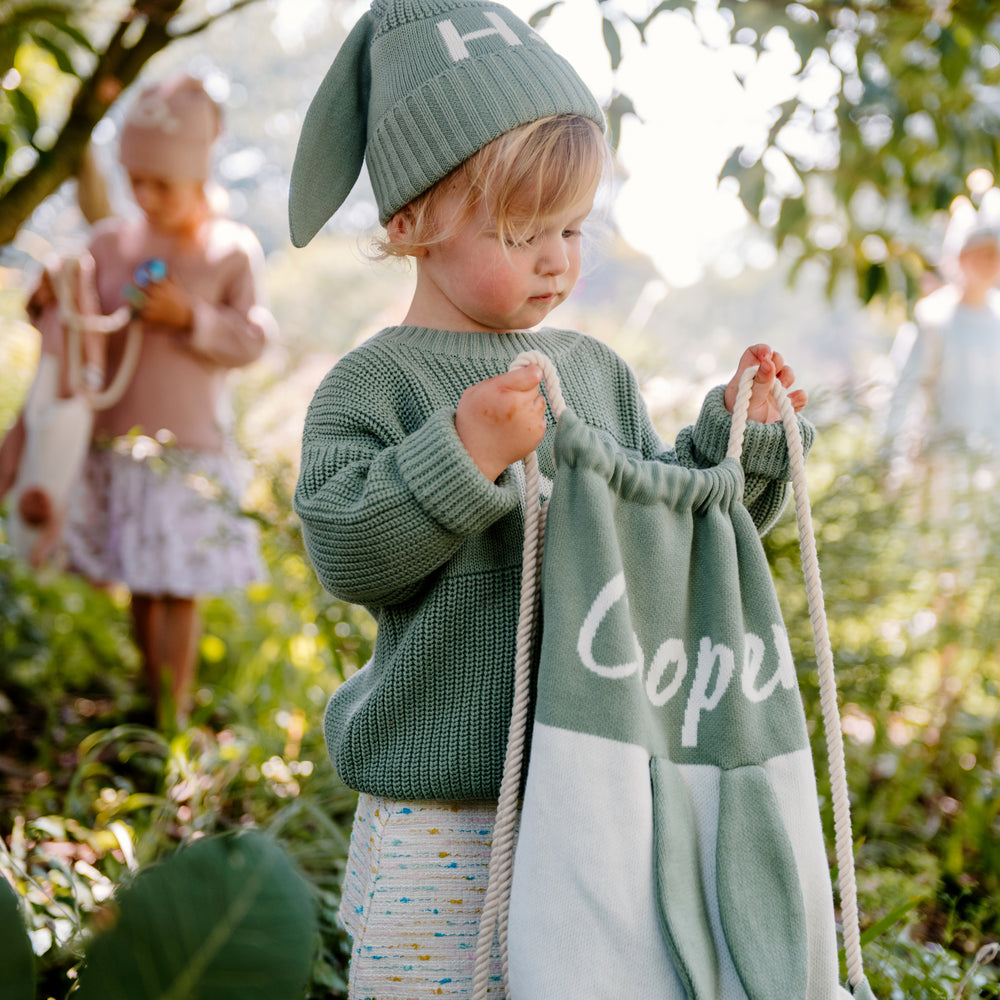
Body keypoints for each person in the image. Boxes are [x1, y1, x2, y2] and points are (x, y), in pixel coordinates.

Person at [288, 1, 811, 996]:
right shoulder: (375, 386)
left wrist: (742, 442)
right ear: (410, 224)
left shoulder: (593, 372)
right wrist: (463, 453)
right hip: (445, 806)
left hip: (598, 789)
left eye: (571, 226)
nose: (555, 257)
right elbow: (348, 554)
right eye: (521, 228)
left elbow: (664, 539)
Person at [1, 73, 275, 726]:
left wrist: (192, 317)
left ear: (199, 172)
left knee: (177, 588)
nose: (146, 197)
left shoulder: (229, 251)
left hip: (187, 452)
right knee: (140, 583)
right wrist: (46, 304)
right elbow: (78, 330)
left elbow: (253, 340)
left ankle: (172, 716)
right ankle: (149, 699)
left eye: (164, 183)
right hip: (119, 444)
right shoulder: (110, 245)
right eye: (136, 181)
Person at [886, 190, 1000, 468]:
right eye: (980, 254)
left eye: (994, 255)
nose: (988, 264)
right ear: (961, 257)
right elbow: (904, 391)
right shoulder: (933, 318)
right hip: (941, 467)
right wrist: (892, 459)